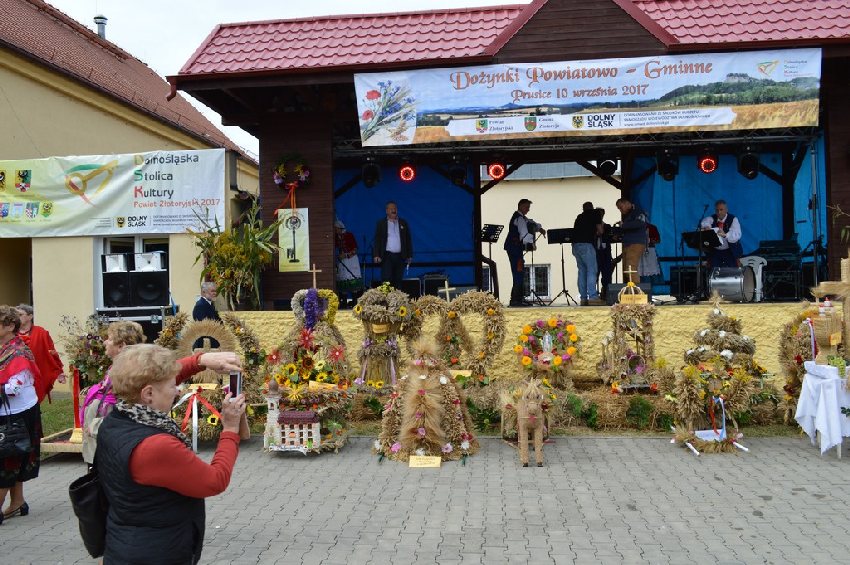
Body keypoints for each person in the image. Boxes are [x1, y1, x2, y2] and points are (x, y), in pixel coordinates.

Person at [97, 344, 246, 564]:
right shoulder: (155, 447)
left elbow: (155, 378)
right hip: (157, 553)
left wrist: (201, 360)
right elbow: (215, 481)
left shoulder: (116, 419)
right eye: (172, 385)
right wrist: (230, 429)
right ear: (148, 393)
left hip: (124, 544)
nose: (178, 390)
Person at [0, 305, 42, 525]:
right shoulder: (2, 348)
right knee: (12, 458)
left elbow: (14, 387)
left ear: (9, 326)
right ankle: (18, 502)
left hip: (19, 413)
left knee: (8, 460)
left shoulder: (19, 351)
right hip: (6, 412)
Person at [15, 304, 65, 403]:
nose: (17, 317)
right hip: (16, 373)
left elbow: (51, 353)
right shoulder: (11, 333)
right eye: (16, 315)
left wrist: (58, 371)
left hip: (36, 372)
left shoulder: (41, 332)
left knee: (34, 401)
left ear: (30, 316)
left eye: (20, 314)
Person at [504, 198, 546, 307]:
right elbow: (524, 234)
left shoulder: (522, 218)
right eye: (527, 207)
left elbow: (531, 223)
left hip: (514, 248)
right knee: (518, 272)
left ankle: (518, 299)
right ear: (521, 206)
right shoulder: (519, 219)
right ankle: (516, 300)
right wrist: (532, 244)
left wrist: (539, 228)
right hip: (514, 248)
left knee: (519, 272)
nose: (528, 209)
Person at [373, 201, 413, 289]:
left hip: (400, 256)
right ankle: (386, 297)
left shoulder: (403, 222)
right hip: (387, 255)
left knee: (398, 279)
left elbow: (408, 240)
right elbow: (377, 240)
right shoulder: (381, 223)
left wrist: (409, 255)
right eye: (391, 208)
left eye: (395, 208)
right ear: (386, 211)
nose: (394, 210)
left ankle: (397, 297)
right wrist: (376, 255)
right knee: (386, 279)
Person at [572, 202, 605, 306]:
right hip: (587, 244)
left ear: (583, 209)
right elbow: (600, 231)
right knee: (592, 270)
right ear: (592, 207)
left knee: (582, 271)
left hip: (576, 245)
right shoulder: (595, 214)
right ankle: (593, 297)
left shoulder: (579, 217)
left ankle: (583, 298)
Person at [701, 200, 743, 268]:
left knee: (732, 270)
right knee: (714, 271)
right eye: (717, 210)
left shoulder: (733, 219)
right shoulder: (712, 218)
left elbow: (737, 235)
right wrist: (706, 227)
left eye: (721, 210)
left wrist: (726, 235)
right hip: (716, 251)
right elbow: (705, 222)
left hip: (729, 250)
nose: (719, 212)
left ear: (726, 210)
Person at [615, 198, 648, 284]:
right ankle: (632, 288)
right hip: (629, 244)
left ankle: (636, 290)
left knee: (631, 268)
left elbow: (640, 223)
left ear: (626, 203)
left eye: (620, 207)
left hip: (635, 244)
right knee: (627, 269)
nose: (620, 210)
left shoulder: (638, 211)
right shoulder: (630, 214)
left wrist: (624, 225)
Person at [334, 218, 363, 306]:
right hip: (342, 261)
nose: (335, 230)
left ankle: (354, 301)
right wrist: (338, 256)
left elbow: (355, 249)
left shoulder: (349, 235)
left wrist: (346, 255)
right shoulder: (335, 237)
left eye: (336, 229)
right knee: (342, 279)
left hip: (351, 260)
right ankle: (344, 302)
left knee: (352, 278)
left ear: (340, 228)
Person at [595, 208, 614, 301]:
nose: (600, 216)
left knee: (607, 274)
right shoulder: (592, 226)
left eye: (601, 214)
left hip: (606, 253)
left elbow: (610, 237)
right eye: (598, 214)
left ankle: (606, 294)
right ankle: (593, 295)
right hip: (596, 253)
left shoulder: (607, 226)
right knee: (594, 274)